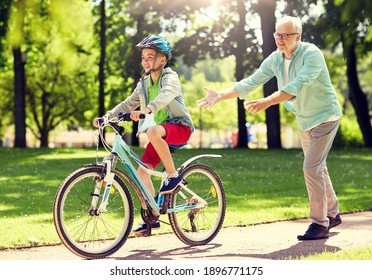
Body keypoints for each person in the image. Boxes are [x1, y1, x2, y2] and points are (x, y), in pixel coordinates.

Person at [197, 16, 342, 241]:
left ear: (298, 37)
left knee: (312, 168)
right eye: (277, 34)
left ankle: (320, 223)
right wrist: (221, 95)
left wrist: (266, 101)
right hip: (305, 119)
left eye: (285, 35)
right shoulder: (275, 59)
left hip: (325, 117)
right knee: (317, 168)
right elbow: (251, 82)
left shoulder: (311, 55)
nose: (280, 39)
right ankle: (332, 213)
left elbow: (296, 86)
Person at [93, 35, 194, 235]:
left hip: (180, 127)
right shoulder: (144, 83)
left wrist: (147, 110)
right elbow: (128, 103)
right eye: (143, 57)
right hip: (161, 135)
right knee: (142, 173)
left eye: (150, 56)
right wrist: (106, 117)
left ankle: (173, 176)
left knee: (152, 130)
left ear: (162, 60)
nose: (145, 61)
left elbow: (166, 96)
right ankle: (152, 217)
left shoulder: (169, 77)